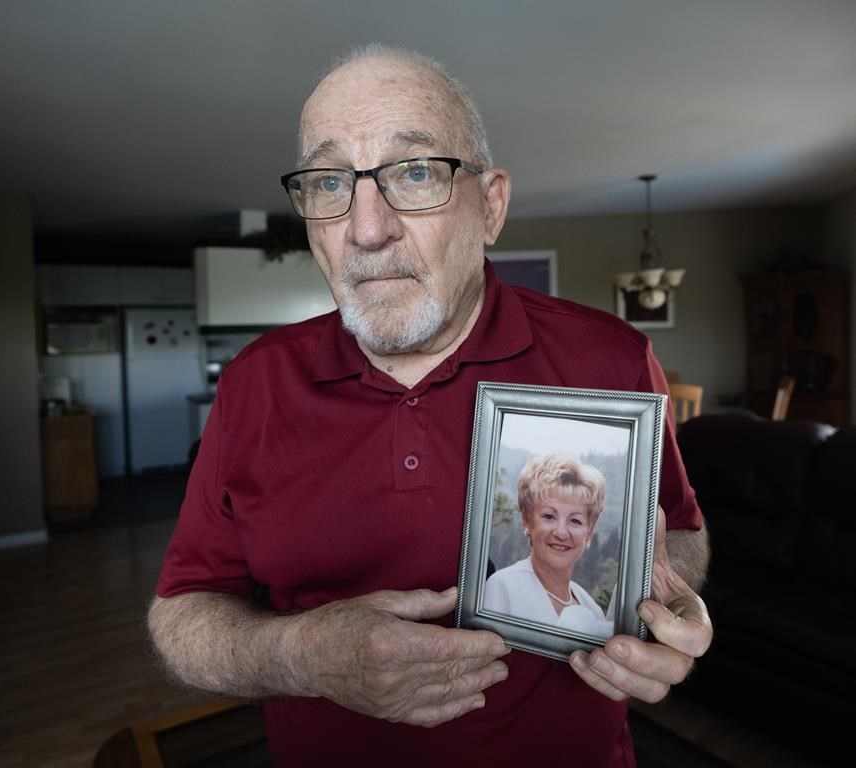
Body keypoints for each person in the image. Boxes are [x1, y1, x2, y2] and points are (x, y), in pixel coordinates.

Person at [148, 43, 712, 766]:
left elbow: (683, 533)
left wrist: (666, 599)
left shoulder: (611, 359)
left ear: (491, 205)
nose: (367, 228)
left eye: (415, 172)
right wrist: (300, 656)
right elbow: (180, 614)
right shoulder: (254, 385)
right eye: (329, 183)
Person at [484, 453, 614, 638]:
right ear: (527, 521)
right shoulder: (502, 587)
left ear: (589, 531)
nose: (561, 533)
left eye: (575, 521)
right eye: (549, 516)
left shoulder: (591, 607)